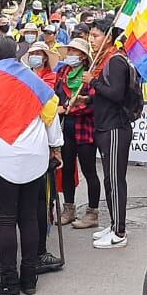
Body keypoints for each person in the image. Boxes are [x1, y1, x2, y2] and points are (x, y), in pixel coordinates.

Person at [0, 36, 62, 295]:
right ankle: (29, 279)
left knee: (6, 218)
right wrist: (56, 147)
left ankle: (9, 283)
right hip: (36, 155)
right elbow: (50, 114)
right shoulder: (31, 78)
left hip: (4, 155)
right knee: (29, 216)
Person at [86, 18, 133, 250]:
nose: (91, 40)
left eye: (95, 36)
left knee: (115, 180)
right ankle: (114, 223)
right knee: (108, 179)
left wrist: (93, 81)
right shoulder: (104, 60)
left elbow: (116, 94)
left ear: (108, 37)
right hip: (104, 126)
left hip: (116, 128)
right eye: (90, 35)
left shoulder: (115, 60)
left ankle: (120, 232)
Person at [55, 38, 100, 229]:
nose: (70, 54)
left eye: (74, 51)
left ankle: (92, 213)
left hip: (85, 127)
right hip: (65, 127)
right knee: (66, 169)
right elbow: (55, 96)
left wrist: (75, 106)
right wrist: (59, 107)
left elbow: (94, 102)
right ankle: (69, 208)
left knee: (89, 170)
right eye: (69, 50)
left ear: (83, 56)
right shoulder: (62, 73)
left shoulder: (89, 75)